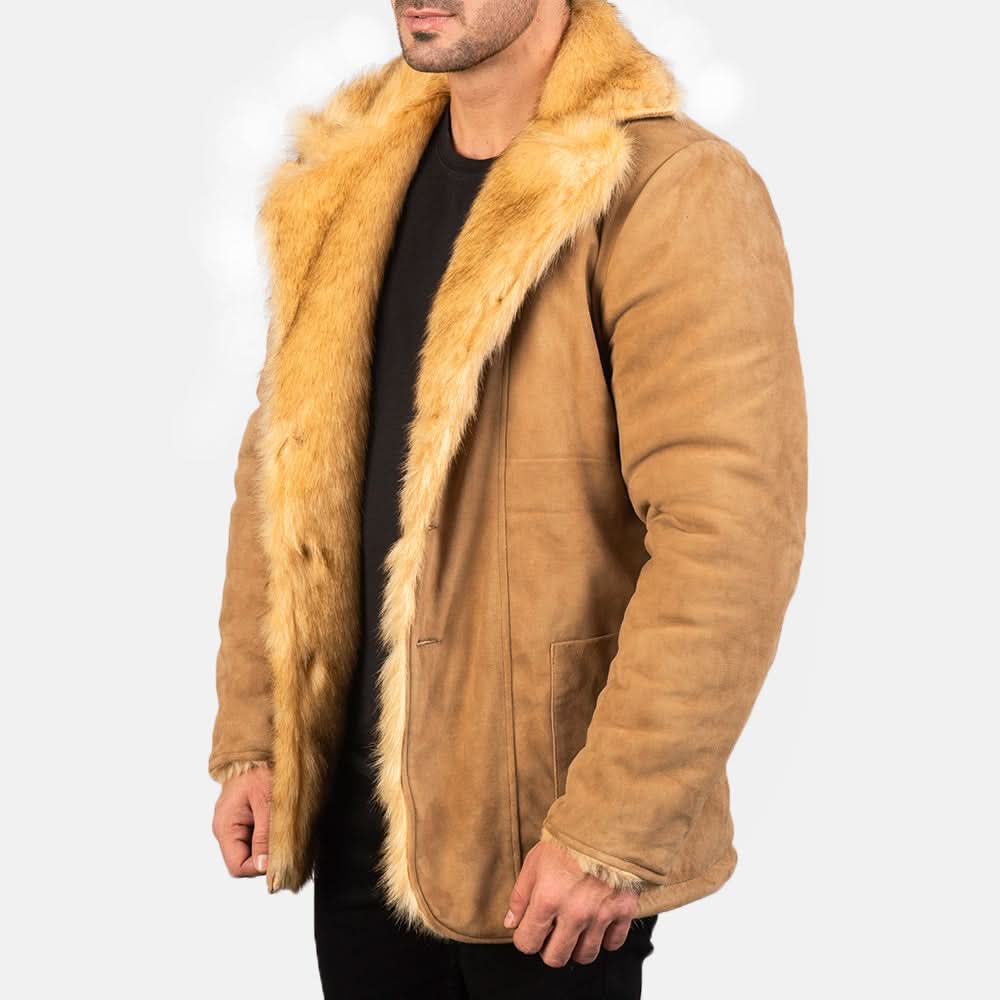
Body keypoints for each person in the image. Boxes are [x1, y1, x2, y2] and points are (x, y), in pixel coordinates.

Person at [208, 1, 808, 996]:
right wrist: (258, 734)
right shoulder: (350, 177)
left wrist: (613, 829)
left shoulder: (664, 187)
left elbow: (729, 539)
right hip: (357, 831)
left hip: (547, 843)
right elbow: (282, 466)